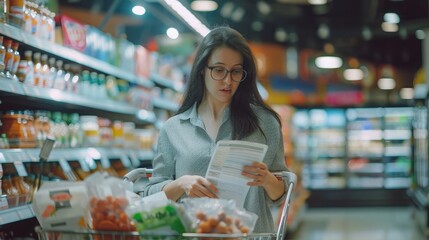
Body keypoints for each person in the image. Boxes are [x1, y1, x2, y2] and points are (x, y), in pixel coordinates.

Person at [143, 26, 288, 233]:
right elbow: (150, 194)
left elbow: (281, 194)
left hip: (250, 236)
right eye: (219, 70)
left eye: (236, 71)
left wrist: (267, 180)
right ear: (202, 68)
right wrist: (181, 184)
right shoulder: (173, 128)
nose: (228, 80)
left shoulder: (265, 123)